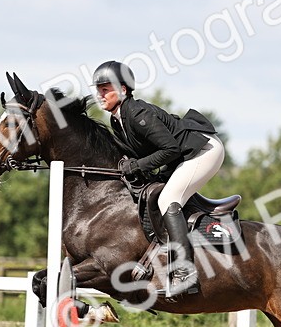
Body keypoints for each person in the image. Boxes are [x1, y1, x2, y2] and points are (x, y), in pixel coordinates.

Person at [91, 60, 226, 297]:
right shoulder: (117, 120)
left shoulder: (136, 112)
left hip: (204, 150)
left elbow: (170, 149)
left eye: (105, 89)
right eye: (98, 89)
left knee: (168, 199)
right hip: (182, 157)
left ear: (123, 90)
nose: (100, 94)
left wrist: (138, 165)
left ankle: (185, 273)